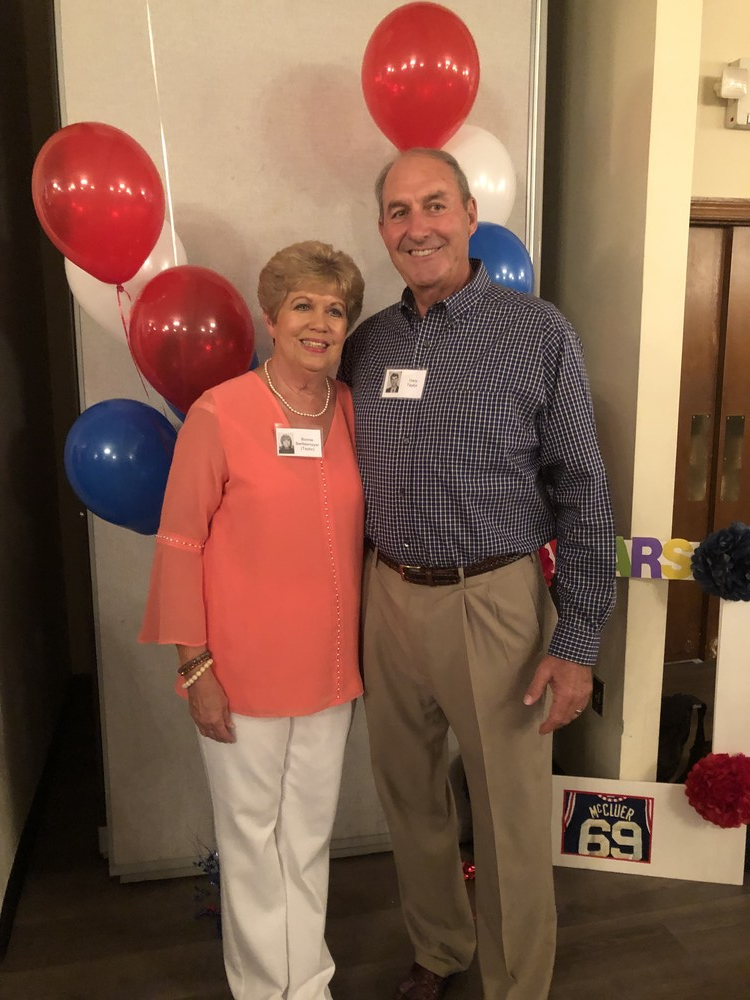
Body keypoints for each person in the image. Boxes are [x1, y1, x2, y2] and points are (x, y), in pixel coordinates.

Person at [339, 149, 616, 1000]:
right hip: (387, 597)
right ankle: (440, 946)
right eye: (398, 211)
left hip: (495, 602)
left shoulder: (538, 334)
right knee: (410, 796)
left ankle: (516, 982)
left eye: (433, 205)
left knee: (511, 815)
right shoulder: (367, 344)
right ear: (382, 228)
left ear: (468, 213)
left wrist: (577, 641)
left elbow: (583, 492)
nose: (416, 226)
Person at [140, 240, 365, 1000]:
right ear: (272, 318)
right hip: (239, 671)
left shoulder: (351, 410)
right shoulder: (220, 411)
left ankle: (309, 984)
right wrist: (194, 666)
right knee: (251, 842)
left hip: (330, 670)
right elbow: (179, 543)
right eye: (304, 305)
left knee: (308, 839)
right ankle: (265, 990)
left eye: (335, 309)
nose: (320, 323)